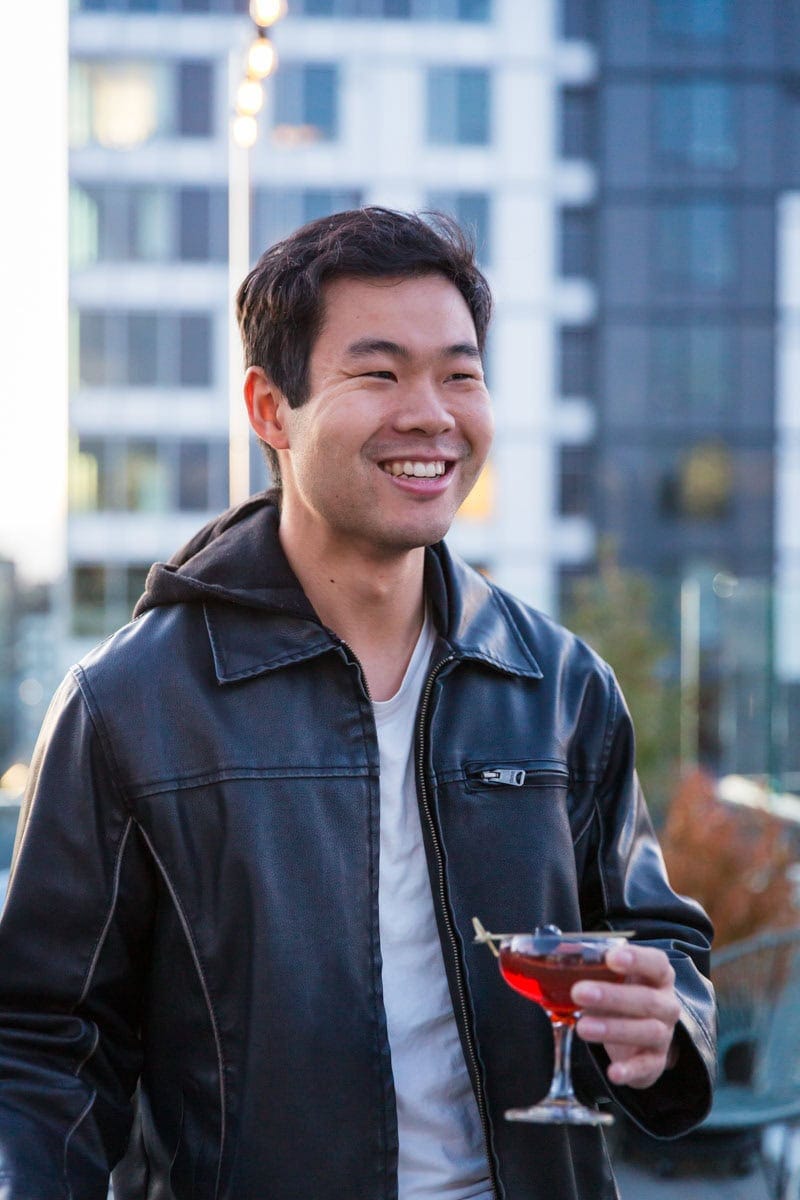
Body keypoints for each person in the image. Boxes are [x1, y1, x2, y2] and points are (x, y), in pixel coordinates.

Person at [0, 208, 715, 1200]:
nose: (430, 413)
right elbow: (43, 1044)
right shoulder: (128, 704)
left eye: (459, 374)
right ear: (267, 409)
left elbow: (654, 940)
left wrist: (668, 1017)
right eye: (376, 373)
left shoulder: (556, 683)